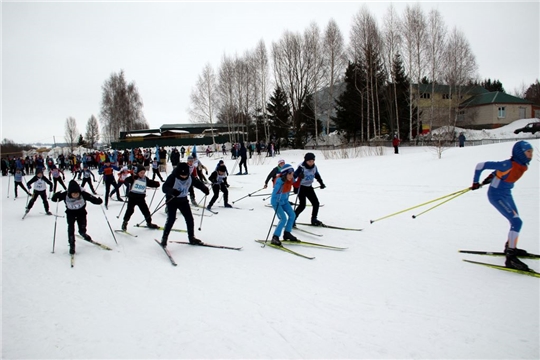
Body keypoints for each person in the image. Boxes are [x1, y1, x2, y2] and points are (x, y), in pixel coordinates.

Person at [471, 140, 533, 271]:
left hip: (506, 194)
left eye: (531, 152)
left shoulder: (521, 164)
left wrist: (492, 176)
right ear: (520, 153)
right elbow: (480, 165)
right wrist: (476, 182)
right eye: (528, 152)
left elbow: (503, 174)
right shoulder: (507, 164)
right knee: (516, 222)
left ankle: (510, 247)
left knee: (516, 221)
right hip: (496, 196)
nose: (531, 154)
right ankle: (510, 257)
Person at [160, 162, 210, 247]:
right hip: (172, 201)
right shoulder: (172, 177)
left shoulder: (189, 177)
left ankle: (191, 238)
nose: (184, 177)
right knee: (171, 219)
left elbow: (197, 183)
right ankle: (164, 238)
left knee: (189, 219)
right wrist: (172, 191)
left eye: (185, 175)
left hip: (183, 200)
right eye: (182, 175)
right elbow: (164, 188)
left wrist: (204, 188)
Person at [51, 180, 103, 254]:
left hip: (81, 213)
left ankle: (83, 233)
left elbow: (92, 199)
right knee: (71, 228)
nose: (76, 195)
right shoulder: (65, 194)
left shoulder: (83, 194)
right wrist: (55, 195)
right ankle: (72, 245)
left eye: (77, 193)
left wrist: (98, 201)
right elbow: (54, 199)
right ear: (70, 193)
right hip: (70, 213)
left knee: (82, 226)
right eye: (74, 194)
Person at [121, 165, 160, 231]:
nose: (143, 174)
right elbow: (126, 180)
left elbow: (150, 183)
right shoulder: (133, 178)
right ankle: (125, 222)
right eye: (141, 173)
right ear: (137, 172)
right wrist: (133, 177)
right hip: (132, 198)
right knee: (130, 211)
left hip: (141, 198)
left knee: (146, 211)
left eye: (143, 173)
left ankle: (149, 223)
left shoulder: (145, 178)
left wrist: (156, 184)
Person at [293, 152, 326, 226]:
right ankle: (292, 220)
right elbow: (293, 177)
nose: (311, 163)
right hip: (301, 188)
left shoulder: (314, 167)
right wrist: (295, 187)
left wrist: (321, 183)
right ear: (306, 161)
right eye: (309, 161)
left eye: (312, 161)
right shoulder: (301, 168)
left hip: (309, 187)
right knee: (302, 205)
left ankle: (314, 219)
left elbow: (317, 175)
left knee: (316, 203)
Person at [270, 164, 298, 246]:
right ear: (285, 174)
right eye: (290, 174)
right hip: (276, 202)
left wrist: (300, 178)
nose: (291, 176)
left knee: (292, 215)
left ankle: (287, 233)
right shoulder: (279, 181)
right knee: (283, 219)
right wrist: (281, 183)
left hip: (285, 201)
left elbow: (296, 184)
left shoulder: (291, 179)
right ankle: (275, 237)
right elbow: (275, 191)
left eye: (292, 174)